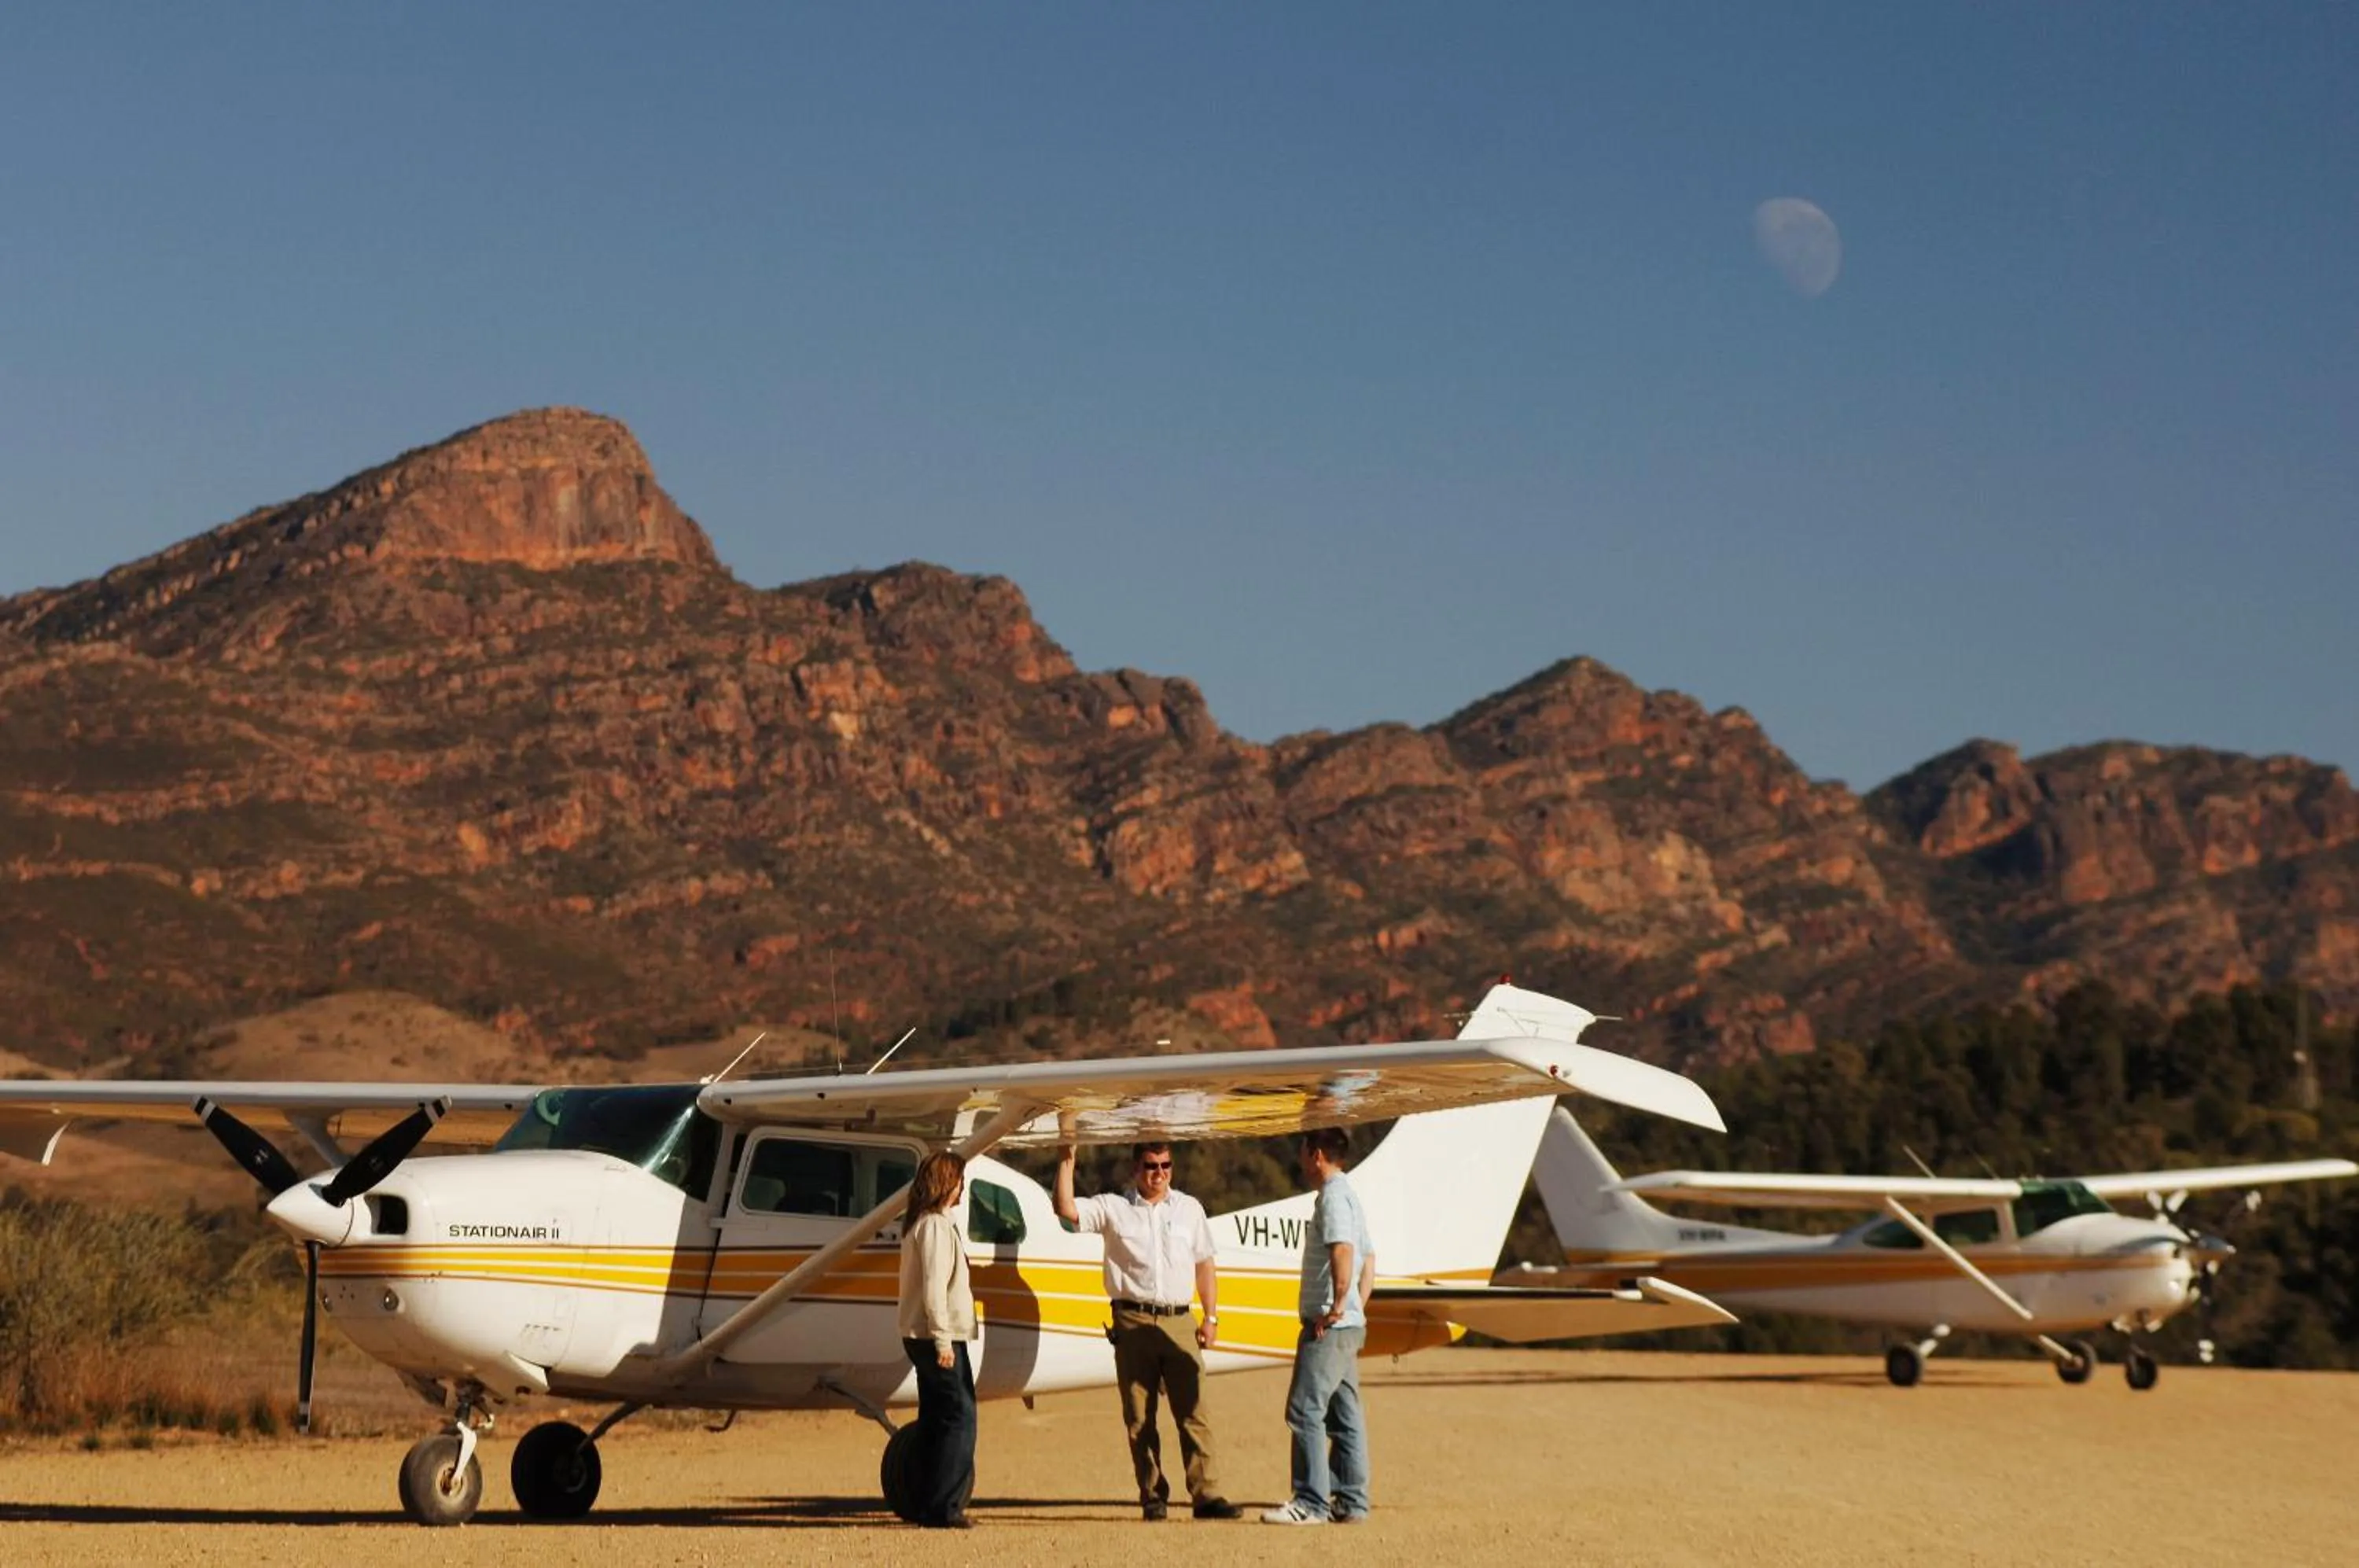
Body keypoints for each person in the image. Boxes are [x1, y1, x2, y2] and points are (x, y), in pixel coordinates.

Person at [1054, 1140, 1242, 1522]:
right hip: (1132, 1321)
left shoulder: (1190, 1209)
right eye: (1151, 1166)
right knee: (1140, 1418)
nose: (1159, 1173)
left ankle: (1206, 1495)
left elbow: (1204, 1265)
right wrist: (1066, 1157)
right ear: (1135, 1169)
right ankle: (1153, 1496)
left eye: (1166, 1165)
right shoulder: (1114, 1208)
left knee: (1194, 1411)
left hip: (1179, 1320)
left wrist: (1211, 1317)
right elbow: (1066, 1208)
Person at [1263, 1125, 1376, 1526]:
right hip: (1348, 1324)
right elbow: (1369, 1260)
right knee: (1344, 1417)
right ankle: (1352, 1501)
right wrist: (1356, 1307)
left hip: (1330, 1326)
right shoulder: (1349, 1195)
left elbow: (1343, 1250)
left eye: (1302, 1149)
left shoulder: (1332, 1197)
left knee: (1304, 1410)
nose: (1299, 1158)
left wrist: (1337, 1308)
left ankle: (1311, 1503)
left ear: (1316, 1154)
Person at [896, 1150, 978, 1529]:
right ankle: (945, 1505)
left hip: (924, 1333)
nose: (963, 1187)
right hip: (935, 1336)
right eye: (959, 1180)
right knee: (960, 1416)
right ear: (948, 1184)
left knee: (934, 1416)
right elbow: (934, 1289)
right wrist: (943, 1342)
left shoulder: (928, 1223)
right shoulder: (934, 1228)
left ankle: (927, 1500)